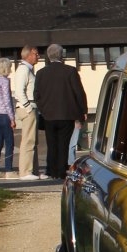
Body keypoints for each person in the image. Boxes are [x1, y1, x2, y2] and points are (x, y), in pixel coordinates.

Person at [34, 44, 87, 178]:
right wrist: (83, 111)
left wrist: (43, 108)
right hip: (66, 113)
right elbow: (79, 92)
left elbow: (37, 95)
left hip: (48, 115)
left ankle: (51, 171)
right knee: (64, 143)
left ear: (48, 56)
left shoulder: (41, 73)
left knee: (51, 144)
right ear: (62, 55)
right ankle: (61, 170)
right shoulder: (70, 71)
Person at [13, 45, 41, 179]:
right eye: (36, 54)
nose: (38, 56)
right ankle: (25, 172)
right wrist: (28, 107)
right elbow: (19, 91)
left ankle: (34, 170)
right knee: (28, 140)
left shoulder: (28, 70)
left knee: (33, 140)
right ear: (28, 55)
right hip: (28, 107)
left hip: (32, 106)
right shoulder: (23, 69)